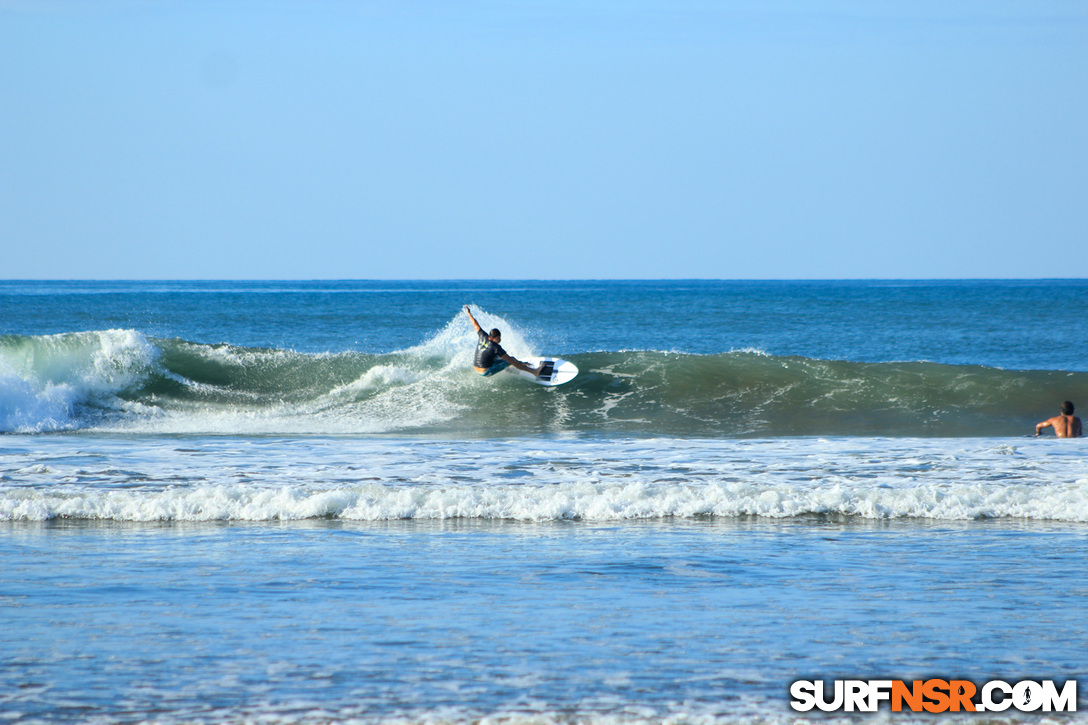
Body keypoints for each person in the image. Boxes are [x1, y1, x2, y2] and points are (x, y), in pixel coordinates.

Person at [463, 306, 540, 377]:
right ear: (495, 337)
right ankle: (534, 372)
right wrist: (519, 363)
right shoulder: (496, 347)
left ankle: (511, 369)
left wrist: (469, 313)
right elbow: (510, 360)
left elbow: (475, 324)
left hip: (476, 367)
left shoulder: (482, 335)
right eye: (499, 338)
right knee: (510, 360)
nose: (500, 339)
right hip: (485, 372)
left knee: (499, 357)